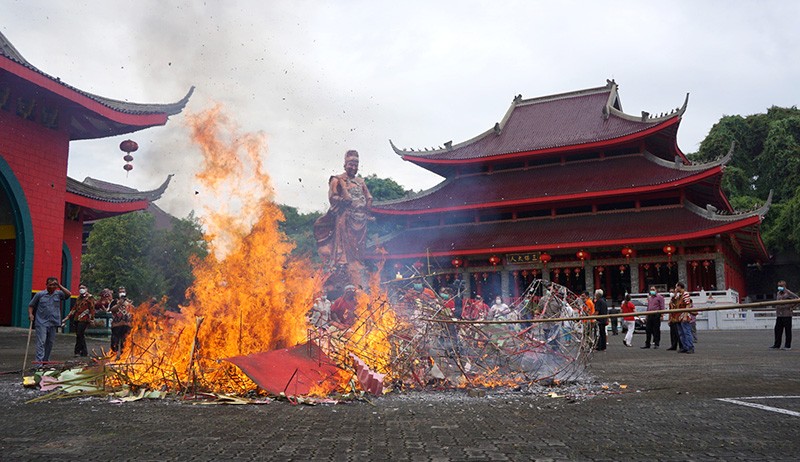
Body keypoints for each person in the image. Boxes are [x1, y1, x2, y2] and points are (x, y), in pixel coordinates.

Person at [313, 150, 373, 285]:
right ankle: (342, 263)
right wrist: (343, 199)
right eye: (351, 164)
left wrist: (368, 205)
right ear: (345, 165)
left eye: (356, 164)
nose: (353, 167)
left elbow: (368, 195)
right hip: (346, 218)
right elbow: (332, 196)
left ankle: (358, 265)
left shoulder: (361, 182)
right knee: (344, 246)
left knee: (358, 249)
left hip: (361, 219)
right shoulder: (337, 179)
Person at [28, 277, 72, 365]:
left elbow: (69, 294)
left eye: (54, 285)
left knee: (50, 343)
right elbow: (31, 305)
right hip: (41, 322)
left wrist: (59, 285)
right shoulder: (40, 294)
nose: (52, 286)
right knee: (41, 342)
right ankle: (38, 364)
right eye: (50, 284)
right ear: (46, 285)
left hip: (53, 322)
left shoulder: (59, 294)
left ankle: (45, 361)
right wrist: (30, 314)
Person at [65, 283, 94, 357]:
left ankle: (78, 351)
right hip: (77, 318)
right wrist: (68, 317)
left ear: (86, 289)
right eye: (80, 288)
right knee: (79, 335)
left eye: (83, 287)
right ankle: (83, 352)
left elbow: (92, 309)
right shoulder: (78, 298)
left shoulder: (90, 298)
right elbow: (74, 308)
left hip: (84, 318)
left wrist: (92, 319)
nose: (81, 289)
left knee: (80, 334)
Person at [770, 280, 798, 350]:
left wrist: (793, 307)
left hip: (787, 314)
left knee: (787, 330)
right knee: (777, 330)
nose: (779, 287)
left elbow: (797, 299)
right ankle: (777, 345)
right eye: (778, 286)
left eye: (781, 286)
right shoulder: (778, 293)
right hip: (779, 314)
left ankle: (787, 346)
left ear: (785, 286)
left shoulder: (788, 293)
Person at [110, 286, 133, 357]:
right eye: (120, 292)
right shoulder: (114, 301)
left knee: (125, 342)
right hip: (116, 325)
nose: (122, 293)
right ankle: (113, 356)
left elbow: (133, 311)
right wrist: (119, 304)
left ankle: (123, 356)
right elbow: (112, 309)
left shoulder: (129, 302)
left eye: (123, 291)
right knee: (115, 341)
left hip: (126, 325)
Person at [674, 282, 695, 354]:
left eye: (676, 287)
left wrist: (686, 315)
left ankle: (690, 347)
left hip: (684, 314)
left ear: (680, 287)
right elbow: (674, 301)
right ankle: (684, 346)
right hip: (678, 315)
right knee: (681, 333)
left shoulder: (685, 294)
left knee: (686, 332)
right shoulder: (679, 295)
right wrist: (675, 293)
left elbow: (687, 304)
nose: (676, 288)